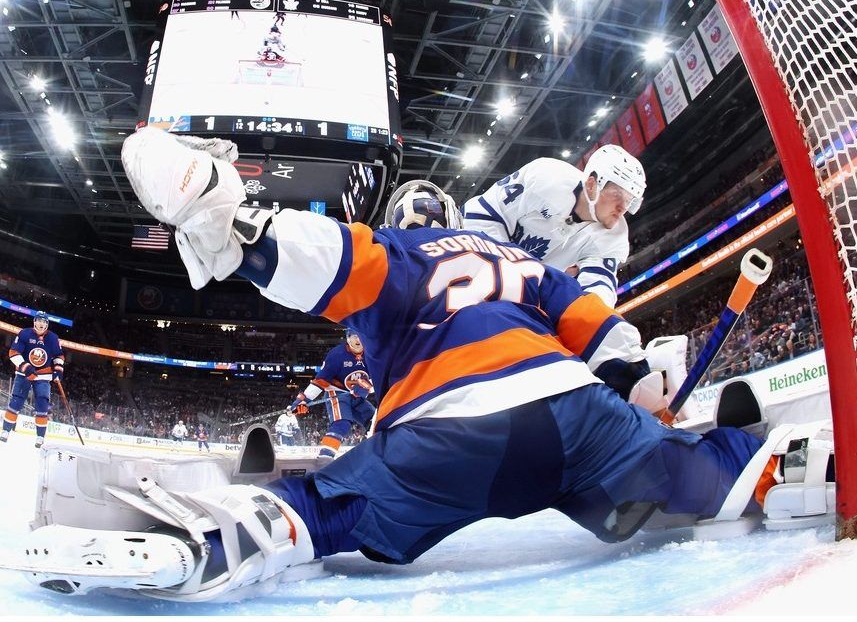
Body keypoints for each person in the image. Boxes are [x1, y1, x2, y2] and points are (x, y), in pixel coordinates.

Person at [18, 127, 826, 602]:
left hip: (451, 433)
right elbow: (603, 337)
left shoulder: (398, 250)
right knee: (676, 484)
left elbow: (319, 258)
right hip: (574, 413)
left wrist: (228, 217)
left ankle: (235, 534)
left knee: (329, 505)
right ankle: (766, 466)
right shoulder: (530, 264)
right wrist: (641, 389)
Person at [461, 146, 646, 308]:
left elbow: (598, 293)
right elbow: (485, 214)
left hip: (522, 284)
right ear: (592, 184)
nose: (623, 208)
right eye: (617, 195)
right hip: (471, 246)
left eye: (629, 201)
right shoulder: (547, 177)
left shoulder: (614, 237)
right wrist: (510, 271)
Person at [289, 330, 375, 460]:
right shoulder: (337, 355)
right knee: (342, 423)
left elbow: (381, 377)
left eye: (361, 336)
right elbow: (320, 381)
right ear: (347, 338)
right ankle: (325, 457)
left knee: (376, 420)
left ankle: (378, 453)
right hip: (337, 393)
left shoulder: (372, 353)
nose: (358, 340)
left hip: (357, 397)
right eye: (354, 336)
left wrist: (367, 387)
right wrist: (302, 400)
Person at [1, 311, 64, 448]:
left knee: (42, 404)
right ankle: (5, 430)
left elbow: (59, 355)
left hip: (43, 375)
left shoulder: (53, 338)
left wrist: (58, 369)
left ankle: (40, 436)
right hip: (24, 374)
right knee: (16, 400)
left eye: (44, 321)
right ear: (34, 322)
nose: (41, 324)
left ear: (47, 324)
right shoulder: (24, 333)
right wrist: (25, 366)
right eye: (39, 321)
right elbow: (13, 352)